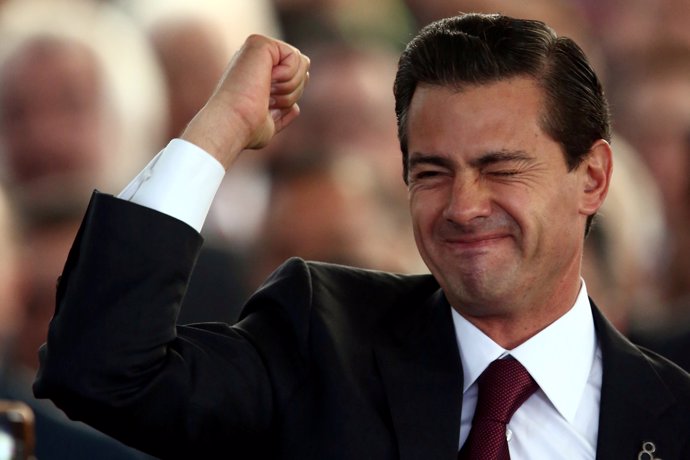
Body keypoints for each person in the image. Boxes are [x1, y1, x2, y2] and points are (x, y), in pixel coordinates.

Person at [33, 13, 690, 459]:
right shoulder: (323, 341)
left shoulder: (674, 416)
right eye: (432, 172)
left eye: (500, 169)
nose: (463, 206)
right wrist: (220, 128)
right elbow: (99, 369)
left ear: (593, 178)